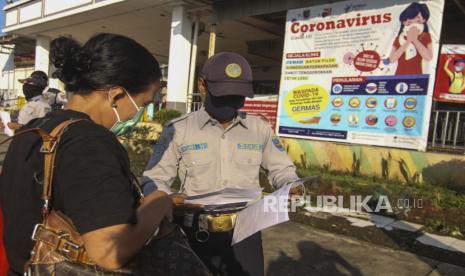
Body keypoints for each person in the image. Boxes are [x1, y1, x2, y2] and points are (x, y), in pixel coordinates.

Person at [0, 33, 174, 275]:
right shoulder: (89, 142)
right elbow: (108, 251)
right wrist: (158, 203)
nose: (138, 115)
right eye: (142, 104)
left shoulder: (32, 130)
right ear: (116, 95)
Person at [142, 52, 302, 276]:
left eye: (236, 96)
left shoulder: (259, 129)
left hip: (246, 233)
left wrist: (291, 185)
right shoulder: (178, 129)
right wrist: (164, 201)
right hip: (195, 233)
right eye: (223, 95)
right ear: (203, 86)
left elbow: (282, 169)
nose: (229, 102)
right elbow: (154, 177)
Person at [388, 2, 433, 75]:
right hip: (399, 75)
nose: (414, 23)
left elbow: (428, 57)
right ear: (405, 22)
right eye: (410, 20)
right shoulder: (399, 38)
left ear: (423, 20)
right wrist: (408, 41)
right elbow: (392, 59)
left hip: (417, 75)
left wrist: (415, 40)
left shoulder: (425, 36)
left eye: (418, 19)